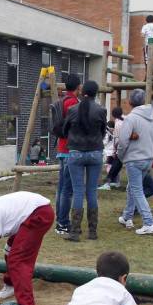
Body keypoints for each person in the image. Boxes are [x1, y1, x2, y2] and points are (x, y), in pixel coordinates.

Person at [62, 80, 106, 242]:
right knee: (92, 191)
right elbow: (102, 132)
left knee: (78, 191)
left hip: (76, 153)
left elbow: (65, 130)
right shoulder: (101, 110)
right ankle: (92, 231)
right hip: (95, 152)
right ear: (96, 93)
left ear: (82, 92)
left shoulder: (73, 110)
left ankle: (74, 231)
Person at [117, 89, 153, 235]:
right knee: (133, 188)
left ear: (130, 102)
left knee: (136, 190)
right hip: (149, 159)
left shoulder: (131, 118)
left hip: (134, 159)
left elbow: (123, 141)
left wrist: (121, 155)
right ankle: (127, 216)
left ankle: (149, 222)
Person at [54, 75, 81, 234]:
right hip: (70, 149)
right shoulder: (72, 102)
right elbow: (74, 126)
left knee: (62, 187)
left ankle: (60, 220)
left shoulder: (63, 100)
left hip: (62, 149)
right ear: (78, 87)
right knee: (67, 189)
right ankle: (62, 223)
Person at [99, 107, 125, 189]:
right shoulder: (124, 120)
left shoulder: (118, 123)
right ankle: (114, 182)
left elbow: (117, 139)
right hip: (120, 149)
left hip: (116, 149)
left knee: (112, 166)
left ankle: (109, 183)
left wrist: (115, 150)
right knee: (116, 166)